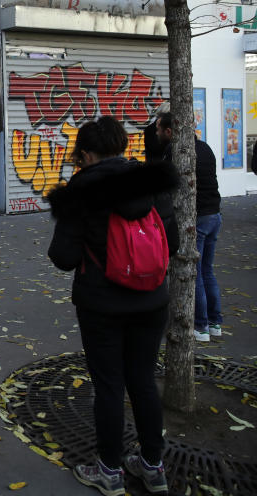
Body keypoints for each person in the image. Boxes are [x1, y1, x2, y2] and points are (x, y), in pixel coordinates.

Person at [47, 116, 178, 496]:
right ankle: (153, 467)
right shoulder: (152, 182)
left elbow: (64, 256)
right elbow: (172, 240)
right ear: (120, 147)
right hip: (152, 300)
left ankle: (109, 471)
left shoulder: (81, 190)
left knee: (108, 386)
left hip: (102, 304)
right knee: (143, 381)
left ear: (87, 154)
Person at [156, 111, 223, 342]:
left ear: (169, 131)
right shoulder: (205, 148)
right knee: (207, 271)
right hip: (214, 215)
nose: (156, 133)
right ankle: (215, 323)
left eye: (158, 129)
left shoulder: (175, 151)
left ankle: (201, 326)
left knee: (194, 274)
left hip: (198, 218)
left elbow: (163, 183)